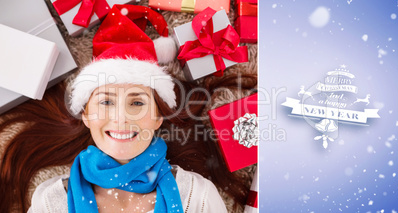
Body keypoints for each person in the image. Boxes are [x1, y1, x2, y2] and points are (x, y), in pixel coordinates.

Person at [0, 4, 257, 213]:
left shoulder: (197, 196)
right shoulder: (51, 202)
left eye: (137, 102)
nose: (121, 118)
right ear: (86, 115)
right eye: (106, 101)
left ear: (158, 117)